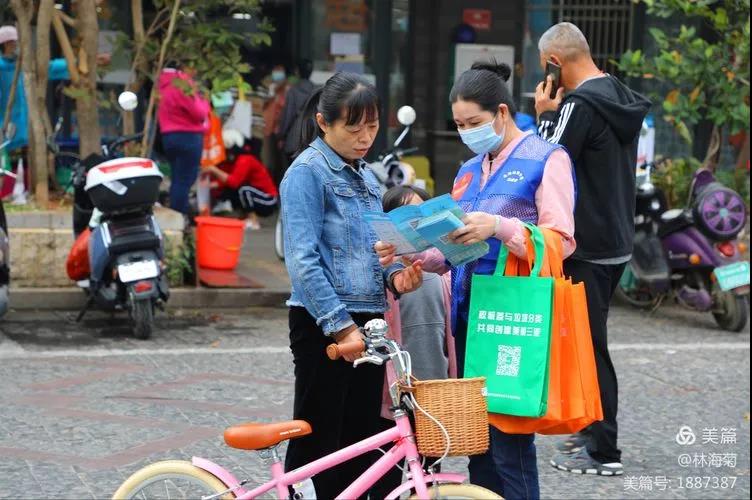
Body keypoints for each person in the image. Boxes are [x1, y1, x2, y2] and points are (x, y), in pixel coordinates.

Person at [376, 60, 576, 500]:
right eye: (459, 124)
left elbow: (561, 242)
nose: (466, 131)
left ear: (501, 113)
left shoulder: (547, 158)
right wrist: (410, 253)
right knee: (480, 444)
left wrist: (500, 228)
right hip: (467, 320)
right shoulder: (468, 169)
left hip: (513, 322)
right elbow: (454, 249)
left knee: (510, 443)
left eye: (473, 122)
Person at [280, 71, 424, 499]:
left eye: (373, 126)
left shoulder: (365, 176)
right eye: (353, 127)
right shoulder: (306, 173)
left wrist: (396, 278)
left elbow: (372, 251)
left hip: (369, 323)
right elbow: (302, 261)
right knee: (320, 442)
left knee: (363, 441)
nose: (365, 138)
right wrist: (341, 328)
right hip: (323, 325)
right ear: (324, 123)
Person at [535, 22, 650, 476]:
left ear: (554, 63)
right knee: (586, 341)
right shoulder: (616, 93)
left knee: (590, 347)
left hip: (587, 245)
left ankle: (604, 450)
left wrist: (546, 114)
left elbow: (545, 162)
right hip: (615, 239)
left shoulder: (579, 105)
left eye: (544, 67)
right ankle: (588, 429)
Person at [0, 25, 69, 152]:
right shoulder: (3, 68)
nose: (16, 46)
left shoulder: (26, 65)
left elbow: (50, 68)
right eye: (12, 43)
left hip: (29, 135)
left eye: (16, 43)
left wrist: (75, 63)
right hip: (5, 135)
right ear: (4, 45)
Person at [157, 64, 210, 215]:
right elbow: (199, 113)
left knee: (177, 179)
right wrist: (204, 102)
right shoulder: (181, 83)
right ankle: (179, 217)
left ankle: (176, 216)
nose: (196, 70)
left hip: (168, 136)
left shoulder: (161, 82)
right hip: (188, 136)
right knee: (185, 180)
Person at [204, 128, 278, 230]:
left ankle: (253, 220)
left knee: (243, 190)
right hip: (258, 196)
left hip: (268, 200)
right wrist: (210, 185)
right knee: (233, 190)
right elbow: (229, 181)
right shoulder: (238, 160)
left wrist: (213, 170)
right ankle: (244, 217)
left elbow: (234, 181)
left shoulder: (245, 159)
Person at [278, 59, 317, 169]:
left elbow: (288, 116)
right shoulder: (317, 91)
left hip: (294, 140)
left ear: (297, 72)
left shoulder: (293, 91)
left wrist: (281, 136)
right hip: (313, 141)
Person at [262, 64, 288, 185]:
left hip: (281, 130)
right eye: (275, 71)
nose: (277, 75)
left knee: (280, 162)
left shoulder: (287, 89)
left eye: (280, 71)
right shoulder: (268, 87)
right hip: (268, 129)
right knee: (269, 160)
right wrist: (271, 92)